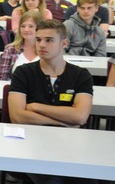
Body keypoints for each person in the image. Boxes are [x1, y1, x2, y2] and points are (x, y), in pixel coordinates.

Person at [8, 19, 93, 184]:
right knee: (51, 178)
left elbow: (80, 117)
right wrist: (63, 121)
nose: (41, 45)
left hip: (70, 145)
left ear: (64, 43)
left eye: (49, 40)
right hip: (31, 143)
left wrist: (35, 106)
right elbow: (18, 117)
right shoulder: (23, 72)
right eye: (38, 39)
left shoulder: (80, 75)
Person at [0, 10, 44, 81]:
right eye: (23, 26)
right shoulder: (10, 50)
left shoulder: (46, 50)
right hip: (15, 90)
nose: (26, 29)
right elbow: (3, 78)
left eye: (31, 26)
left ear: (39, 28)